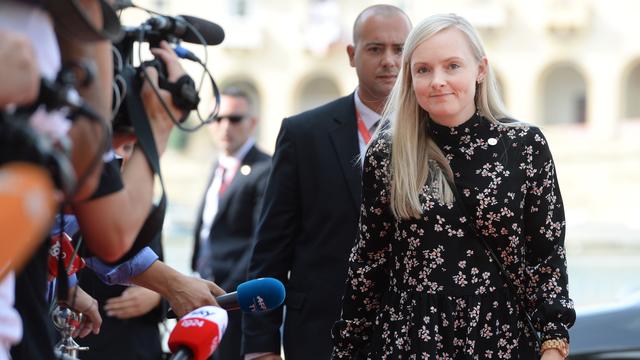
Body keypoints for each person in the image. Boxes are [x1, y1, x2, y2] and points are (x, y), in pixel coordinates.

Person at [331, 13, 576, 359]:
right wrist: (347, 349)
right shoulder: (387, 153)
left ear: (480, 69)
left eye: (452, 66)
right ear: (410, 78)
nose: (438, 81)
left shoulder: (524, 145)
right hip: (411, 342)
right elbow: (369, 263)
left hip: (501, 339)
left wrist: (553, 343)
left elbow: (547, 255)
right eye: (423, 70)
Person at [241, 5, 411, 360]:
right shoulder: (303, 134)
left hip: (413, 335)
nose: (389, 61)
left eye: (400, 49)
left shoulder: (435, 133)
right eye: (375, 49)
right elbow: (270, 250)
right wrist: (261, 347)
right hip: (320, 334)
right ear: (352, 54)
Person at [192, 88, 271, 360]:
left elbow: (260, 242)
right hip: (204, 295)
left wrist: (225, 295)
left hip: (235, 300)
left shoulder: (265, 169)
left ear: (252, 122)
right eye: (218, 118)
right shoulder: (218, 165)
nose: (225, 126)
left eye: (235, 119)